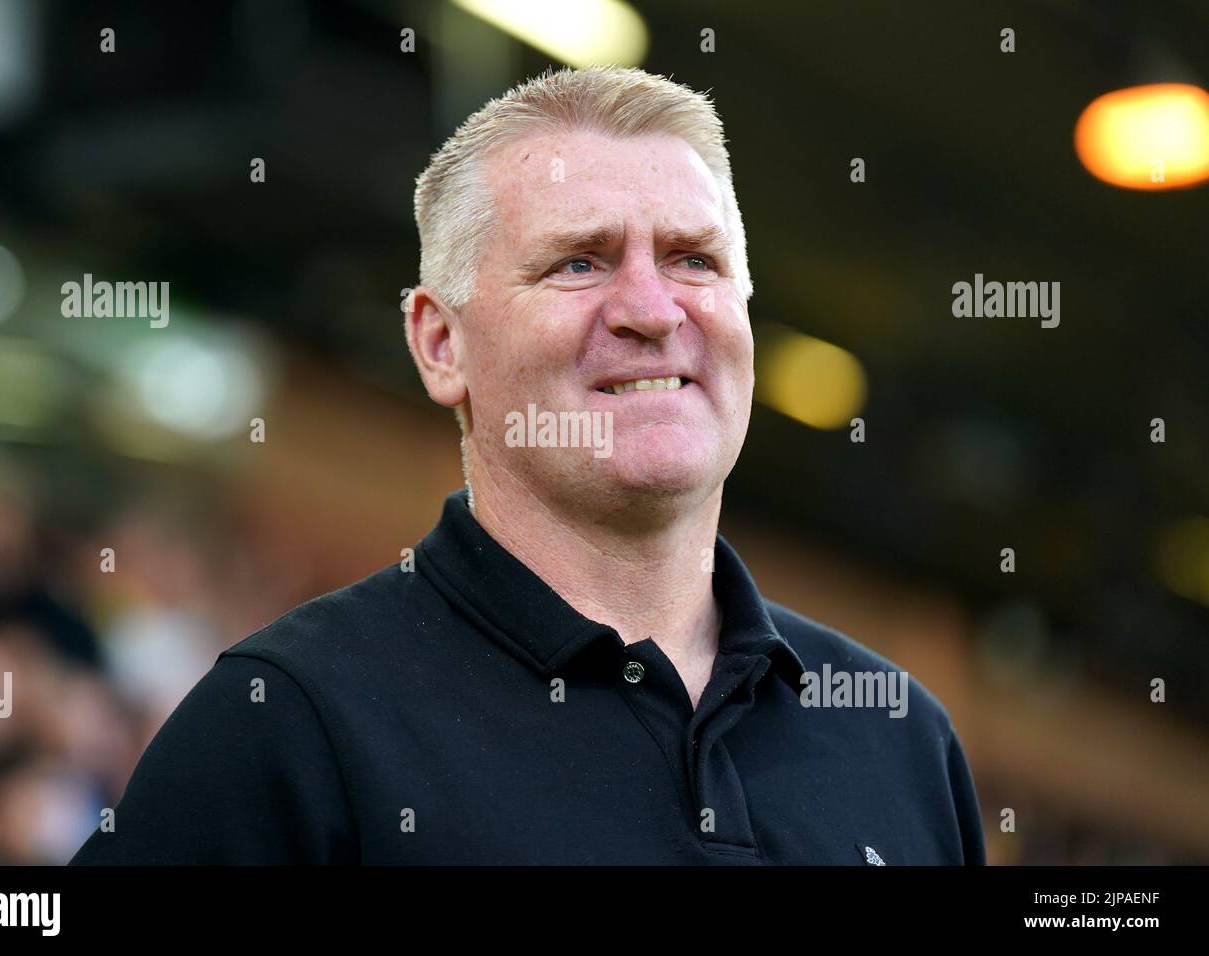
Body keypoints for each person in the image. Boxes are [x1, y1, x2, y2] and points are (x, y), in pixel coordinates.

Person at [70, 65, 985, 865]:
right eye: (579, 262)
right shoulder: (287, 722)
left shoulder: (901, 738)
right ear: (440, 344)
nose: (651, 310)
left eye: (693, 259)